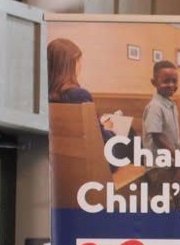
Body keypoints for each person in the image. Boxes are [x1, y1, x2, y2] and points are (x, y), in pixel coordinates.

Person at [47, 37, 132, 169]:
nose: (80, 66)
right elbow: (96, 143)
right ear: (71, 65)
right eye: (78, 61)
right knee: (129, 133)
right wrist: (107, 129)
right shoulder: (79, 95)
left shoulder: (45, 98)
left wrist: (99, 126)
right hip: (95, 165)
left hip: (63, 163)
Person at [142, 60, 180, 155]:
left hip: (171, 160)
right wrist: (175, 155)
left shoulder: (172, 104)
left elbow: (175, 135)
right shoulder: (155, 107)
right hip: (158, 164)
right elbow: (157, 137)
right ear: (154, 82)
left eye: (174, 81)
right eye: (166, 81)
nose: (171, 85)